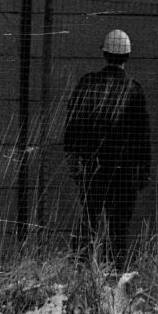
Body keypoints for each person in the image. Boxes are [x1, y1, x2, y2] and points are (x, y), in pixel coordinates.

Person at [62, 29, 151, 270]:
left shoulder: (87, 84)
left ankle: (81, 272)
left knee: (88, 222)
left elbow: (72, 126)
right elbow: (142, 137)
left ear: (104, 53)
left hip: (92, 167)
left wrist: (75, 160)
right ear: (128, 56)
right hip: (123, 172)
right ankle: (115, 274)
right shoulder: (134, 90)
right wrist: (142, 172)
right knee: (118, 227)